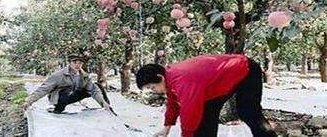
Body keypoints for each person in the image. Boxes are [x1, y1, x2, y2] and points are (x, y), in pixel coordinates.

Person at [135, 54, 277, 137]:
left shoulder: (182, 80)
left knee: (248, 112)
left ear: (160, 77)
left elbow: (190, 113)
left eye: (152, 87)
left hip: (245, 69)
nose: (153, 91)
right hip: (218, 84)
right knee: (206, 116)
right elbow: (172, 101)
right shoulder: (170, 77)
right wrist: (167, 127)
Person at [24, 54, 111, 114]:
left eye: (80, 63)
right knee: (69, 89)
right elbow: (44, 89)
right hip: (60, 98)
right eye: (75, 62)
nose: (77, 65)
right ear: (69, 63)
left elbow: (93, 90)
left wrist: (102, 102)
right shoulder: (59, 75)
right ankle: (58, 108)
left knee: (97, 86)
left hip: (73, 94)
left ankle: (107, 108)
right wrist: (29, 101)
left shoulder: (84, 76)